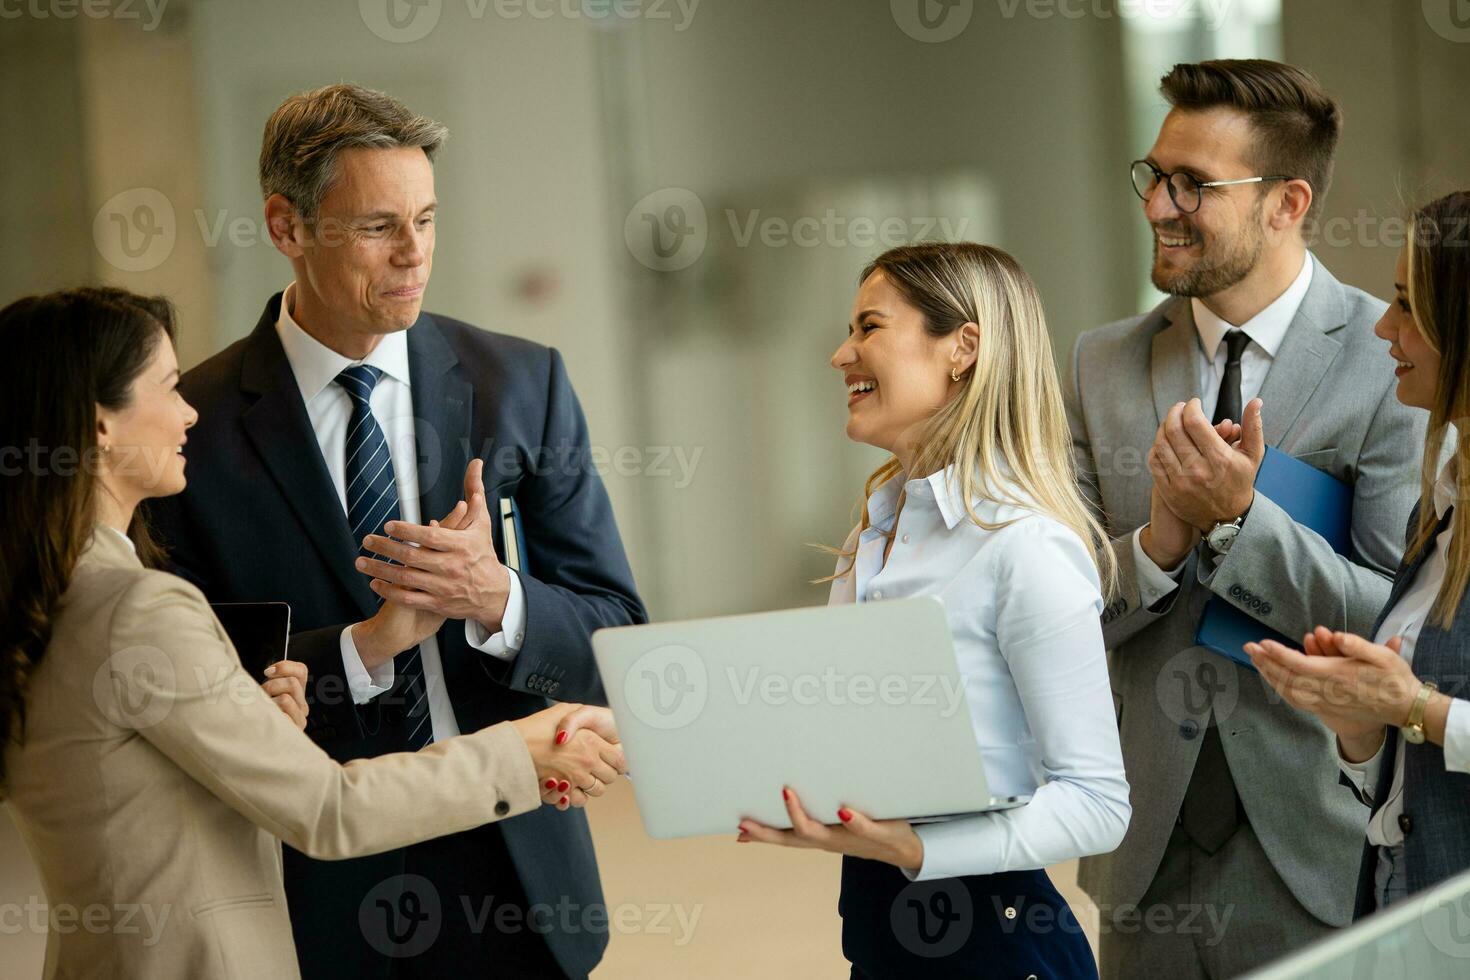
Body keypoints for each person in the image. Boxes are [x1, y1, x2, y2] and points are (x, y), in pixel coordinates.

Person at [142, 84, 646, 979]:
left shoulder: (522, 384)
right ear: (287, 228)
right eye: (379, 226)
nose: (415, 254)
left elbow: (619, 638)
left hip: (516, 860)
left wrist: (498, 599)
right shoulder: (195, 427)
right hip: (317, 872)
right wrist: (364, 651)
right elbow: (196, 687)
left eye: (426, 218)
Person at [0, 286, 626, 980]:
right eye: (169, 388)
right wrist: (523, 751)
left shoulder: (50, 596)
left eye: (422, 219)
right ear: (99, 427)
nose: (188, 413)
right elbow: (328, 810)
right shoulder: (136, 608)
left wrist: (276, 703)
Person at [1065, 59, 1426, 977]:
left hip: (1323, 845)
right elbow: (1061, 608)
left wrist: (1238, 523)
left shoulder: (1394, 361)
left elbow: (1397, 622)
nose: (1158, 206)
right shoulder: (1099, 365)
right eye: (1155, 176)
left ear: (1286, 202)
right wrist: (1158, 544)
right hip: (1143, 850)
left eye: (1194, 185)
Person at [737, 243, 1131, 979]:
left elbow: (1097, 804)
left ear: (963, 348)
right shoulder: (871, 536)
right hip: (882, 940)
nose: (839, 355)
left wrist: (921, 850)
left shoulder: (1024, 546)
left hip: (1001, 951)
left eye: (868, 327)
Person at [1249, 190, 1470, 917]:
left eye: (1408, 305)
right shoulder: (1437, 503)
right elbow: (1414, 772)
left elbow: (1429, 711)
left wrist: (1412, 705)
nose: (1384, 326)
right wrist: (1359, 726)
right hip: (1405, 907)